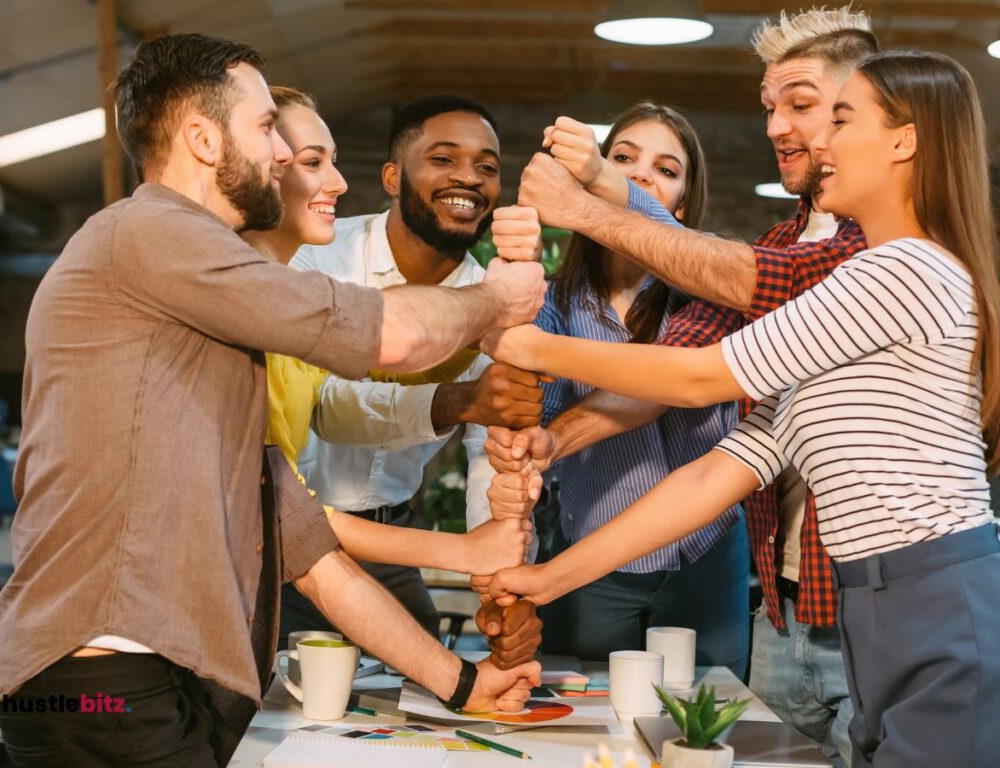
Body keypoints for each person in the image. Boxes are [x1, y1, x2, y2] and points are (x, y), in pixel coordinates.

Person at [0, 34, 542, 768]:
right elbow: (387, 334)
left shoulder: (206, 311)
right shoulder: (152, 233)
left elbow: (308, 546)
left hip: (138, 680)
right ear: (202, 138)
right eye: (265, 128)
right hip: (99, 685)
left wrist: (464, 681)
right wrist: (495, 297)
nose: (280, 154)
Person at [481, 49, 1000, 768]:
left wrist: (533, 345)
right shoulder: (853, 293)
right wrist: (548, 578)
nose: (819, 141)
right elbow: (712, 477)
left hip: (933, 597)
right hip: (876, 604)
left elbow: (700, 378)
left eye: (841, 119)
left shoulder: (905, 268)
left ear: (904, 141)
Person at [243, 86, 534, 584]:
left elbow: (491, 451)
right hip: (286, 541)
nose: (469, 176)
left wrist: (499, 581)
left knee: (428, 653)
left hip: (389, 539)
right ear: (393, 178)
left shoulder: (492, 291)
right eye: (443, 158)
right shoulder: (310, 255)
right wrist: (460, 397)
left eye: (487, 167)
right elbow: (332, 404)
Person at [517, 100, 749, 671]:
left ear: (682, 204)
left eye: (666, 171)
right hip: (594, 561)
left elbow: (666, 384)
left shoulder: (709, 288)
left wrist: (602, 177)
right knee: (588, 724)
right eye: (623, 158)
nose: (642, 175)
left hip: (707, 556)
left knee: (708, 719)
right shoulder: (554, 300)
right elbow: (532, 410)